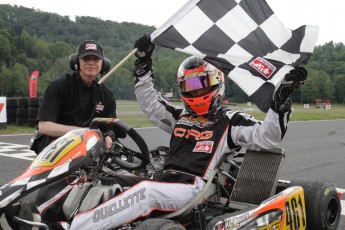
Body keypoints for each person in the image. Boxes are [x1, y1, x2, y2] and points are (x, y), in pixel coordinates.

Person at [54, 34, 307, 229]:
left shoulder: (229, 121)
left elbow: (268, 136)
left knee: (146, 193)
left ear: (216, 83)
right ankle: (52, 213)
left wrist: (281, 103)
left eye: (201, 85)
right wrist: (143, 62)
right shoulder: (180, 117)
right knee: (107, 178)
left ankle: (73, 227)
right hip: (164, 178)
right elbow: (151, 104)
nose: (195, 92)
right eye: (189, 86)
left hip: (192, 188)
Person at [35, 40, 116, 151]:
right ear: (76, 61)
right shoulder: (58, 86)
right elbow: (44, 127)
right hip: (57, 148)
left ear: (103, 64)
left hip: (90, 150)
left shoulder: (107, 94)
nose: (91, 62)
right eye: (86, 58)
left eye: (96, 59)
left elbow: (110, 127)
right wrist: (82, 132)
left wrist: (109, 137)